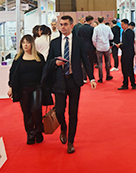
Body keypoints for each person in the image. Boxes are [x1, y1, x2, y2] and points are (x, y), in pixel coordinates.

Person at [42, 16, 97, 154]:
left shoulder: (79, 41)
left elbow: (85, 60)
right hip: (59, 81)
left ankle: (71, 141)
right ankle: (63, 127)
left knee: (73, 113)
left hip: (74, 81)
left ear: (71, 26)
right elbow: (49, 61)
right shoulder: (54, 43)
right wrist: (55, 63)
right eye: (61, 24)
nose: (62, 27)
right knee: (59, 111)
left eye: (65, 24)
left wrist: (91, 78)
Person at [8, 35, 46, 145]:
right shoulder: (18, 58)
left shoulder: (39, 57)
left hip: (37, 87)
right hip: (23, 89)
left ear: (32, 44)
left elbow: (45, 72)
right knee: (26, 112)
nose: (25, 45)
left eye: (28, 42)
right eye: (23, 43)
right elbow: (13, 74)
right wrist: (11, 87)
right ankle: (30, 134)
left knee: (36, 110)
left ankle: (38, 130)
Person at [92, 16, 114, 83]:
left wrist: (96, 46)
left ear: (97, 20)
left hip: (99, 47)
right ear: (104, 20)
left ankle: (100, 78)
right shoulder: (108, 27)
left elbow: (93, 39)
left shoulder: (96, 28)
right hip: (106, 47)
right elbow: (111, 37)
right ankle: (108, 75)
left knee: (100, 63)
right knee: (107, 62)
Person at [117, 19, 136, 90]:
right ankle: (133, 84)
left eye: (122, 24)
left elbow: (126, 44)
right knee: (130, 69)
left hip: (126, 53)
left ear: (126, 24)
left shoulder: (127, 32)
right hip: (130, 53)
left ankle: (126, 84)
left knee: (125, 69)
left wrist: (120, 45)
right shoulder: (130, 32)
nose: (121, 26)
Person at [76, 15, 97, 81]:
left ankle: (84, 77)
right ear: (90, 20)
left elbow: (77, 37)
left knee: (83, 63)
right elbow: (93, 39)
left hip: (82, 47)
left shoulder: (80, 28)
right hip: (90, 47)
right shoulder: (92, 28)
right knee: (91, 63)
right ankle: (91, 77)